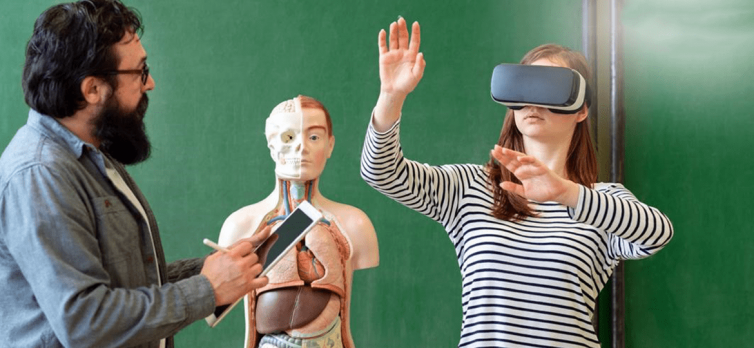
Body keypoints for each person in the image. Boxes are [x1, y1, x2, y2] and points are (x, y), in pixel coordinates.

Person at [360, 17, 674, 348]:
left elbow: (658, 234)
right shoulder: (471, 187)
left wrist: (566, 193)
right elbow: (381, 172)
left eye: (549, 88)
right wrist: (391, 97)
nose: (532, 102)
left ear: (581, 110)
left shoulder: (602, 202)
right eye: (523, 87)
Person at [0, 1, 270, 347]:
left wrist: (214, 269)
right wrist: (207, 288)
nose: (151, 83)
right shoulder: (41, 176)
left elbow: (124, 283)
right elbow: (86, 322)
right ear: (92, 89)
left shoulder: (92, 153)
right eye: (140, 72)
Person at [218, 95, 379, 348]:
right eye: (288, 138)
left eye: (314, 137)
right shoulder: (240, 226)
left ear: (330, 145)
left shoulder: (354, 225)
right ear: (271, 145)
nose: (301, 147)